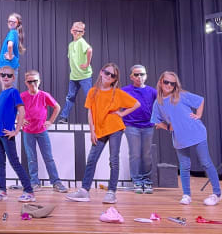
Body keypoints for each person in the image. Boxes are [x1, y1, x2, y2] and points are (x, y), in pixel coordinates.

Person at [66, 63, 140, 204]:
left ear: (115, 79)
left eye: (113, 75)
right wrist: (92, 131)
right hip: (99, 130)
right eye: (107, 73)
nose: (109, 76)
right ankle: (84, 191)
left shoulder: (117, 93)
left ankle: (111, 192)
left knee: (113, 160)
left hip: (115, 128)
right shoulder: (92, 92)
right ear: (101, 72)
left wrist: (122, 114)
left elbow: (136, 104)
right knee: (92, 159)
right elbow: (90, 113)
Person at [151, 71, 221, 206]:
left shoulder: (181, 95)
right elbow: (156, 121)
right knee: (184, 166)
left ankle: (217, 193)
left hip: (196, 133)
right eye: (166, 82)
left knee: (206, 162)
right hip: (180, 138)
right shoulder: (158, 103)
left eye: (172, 83)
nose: (169, 85)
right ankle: (187, 195)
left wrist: (198, 115)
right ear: (161, 82)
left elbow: (200, 100)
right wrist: (167, 127)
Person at [0, 66, 35, 202]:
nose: (6, 77)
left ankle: (29, 191)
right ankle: (2, 190)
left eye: (9, 75)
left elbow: (22, 112)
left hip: (6, 134)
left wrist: (16, 130)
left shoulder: (13, 92)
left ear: (13, 78)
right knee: (0, 162)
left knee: (14, 162)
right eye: (3, 75)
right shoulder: (1, 94)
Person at [21, 70, 67, 193]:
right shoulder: (22, 96)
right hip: (28, 132)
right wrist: (20, 119)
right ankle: (35, 183)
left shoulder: (44, 95)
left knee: (48, 158)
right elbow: (14, 109)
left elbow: (57, 107)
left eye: (35, 81)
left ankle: (56, 182)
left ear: (39, 81)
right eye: (30, 81)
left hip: (41, 131)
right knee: (31, 159)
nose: (32, 84)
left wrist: (50, 121)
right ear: (26, 83)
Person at [121, 65, 157, 194]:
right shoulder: (124, 91)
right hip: (131, 126)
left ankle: (146, 181)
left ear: (146, 76)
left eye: (142, 74)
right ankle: (136, 181)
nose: (139, 77)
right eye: (136, 74)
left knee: (146, 155)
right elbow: (115, 106)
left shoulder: (152, 92)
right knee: (135, 154)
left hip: (148, 127)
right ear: (131, 77)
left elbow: (160, 107)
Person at [57, 21, 92, 124]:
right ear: (71, 31)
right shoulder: (71, 45)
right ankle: (64, 117)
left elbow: (89, 50)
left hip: (84, 76)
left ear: (83, 33)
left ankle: (95, 117)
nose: (77, 33)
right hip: (74, 76)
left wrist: (87, 63)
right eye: (75, 30)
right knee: (70, 97)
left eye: (79, 31)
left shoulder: (81, 41)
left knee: (89, 97)